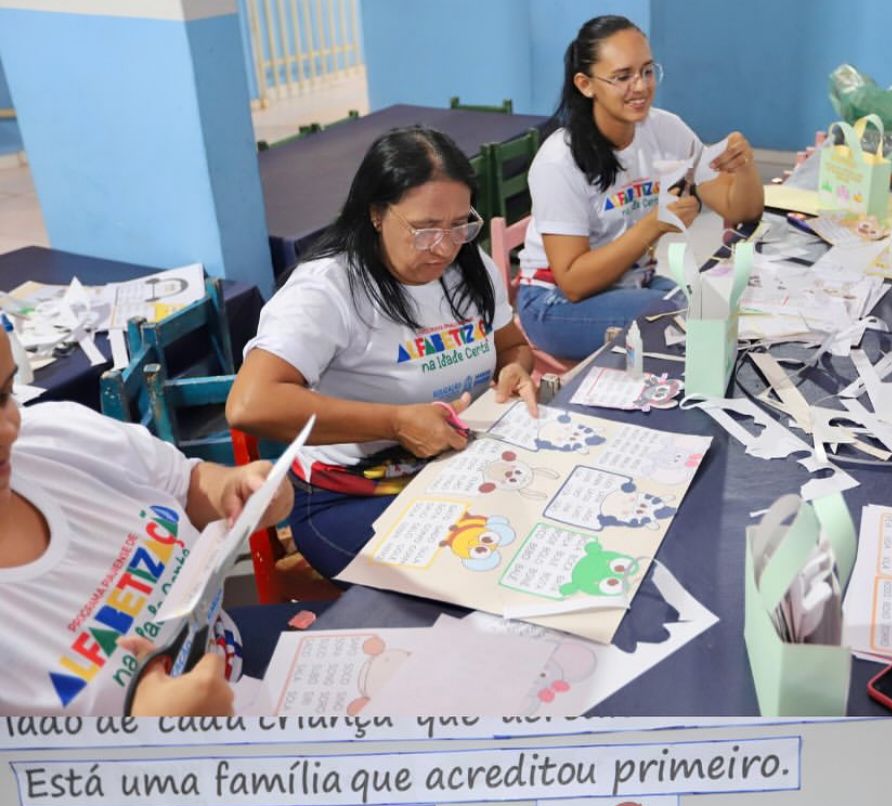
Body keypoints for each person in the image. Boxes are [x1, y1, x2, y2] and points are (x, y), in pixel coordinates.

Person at [227, 126, 539, 581]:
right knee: (475, 572)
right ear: (376, 213)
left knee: (532, 537)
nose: (446, 246)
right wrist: (395, 423)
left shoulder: (470, 269)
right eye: (425, 228)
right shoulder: (329, 289)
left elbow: (511, 345)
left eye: (460, 224)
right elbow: (249, 405)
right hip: (354, 493)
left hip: (457, 467)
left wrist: (516, 370)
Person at [0, 328, 294, 717]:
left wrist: (234, 489)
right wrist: (144, 743)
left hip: (246, 658)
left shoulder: (59, 437)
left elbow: (187, 484)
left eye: (5, 395)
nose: (9, 430)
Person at [515, 15, 764, 359]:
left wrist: (744, 166)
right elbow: (573, 283)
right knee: (685, 322)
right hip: (552, 303)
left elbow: (741, 210)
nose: (641, 86)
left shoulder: (664, 129)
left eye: (647, 71)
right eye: (622, 77)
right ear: (586, 85)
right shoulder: (559, 161)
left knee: (717, 304)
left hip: (630, 284)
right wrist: (655, 224)